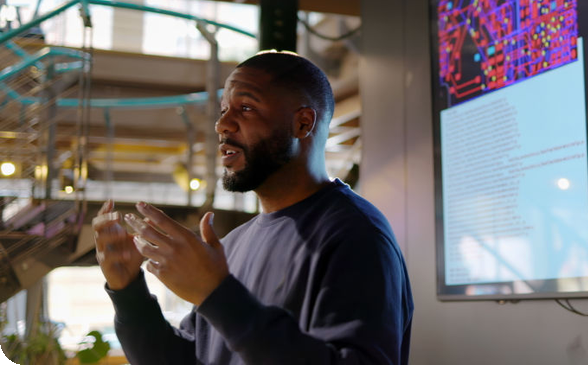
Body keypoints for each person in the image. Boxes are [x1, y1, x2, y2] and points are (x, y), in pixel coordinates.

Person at [92, 51, 413, 364]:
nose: (222, 125)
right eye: (223, 110)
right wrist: (129, 293)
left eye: (245, 108)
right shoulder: (232, 244)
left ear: (302, 124)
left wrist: (218, 296)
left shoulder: (357, 235)